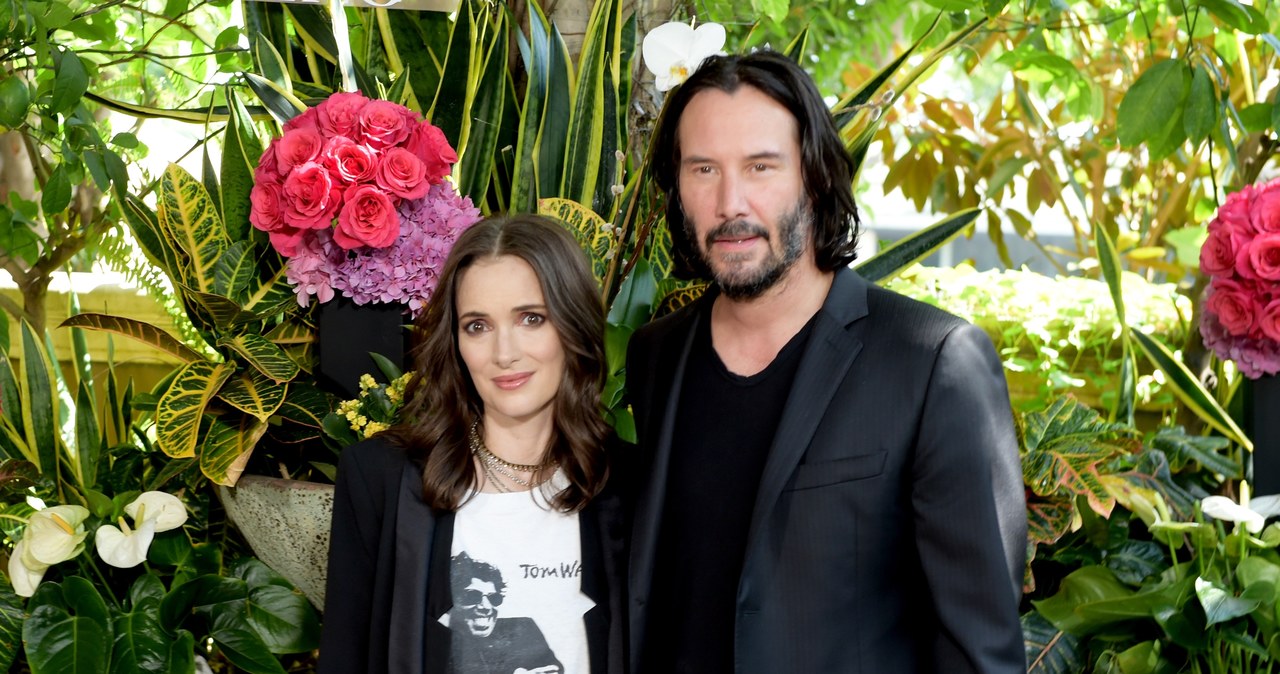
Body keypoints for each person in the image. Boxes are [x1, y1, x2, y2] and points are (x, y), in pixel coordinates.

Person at [625, 50, 1026, 673]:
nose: (731, 202)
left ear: (813, 176)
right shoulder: (656, 357)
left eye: (761, 166)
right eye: (703, 169)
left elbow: (980, 651)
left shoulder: (933, 364)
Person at [319, 214, 626, 674]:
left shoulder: (632, 485)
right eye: (478, 326)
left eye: (531, 318)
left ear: (573, 326)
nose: (505, 353)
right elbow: (345, 657)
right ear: (455, 341)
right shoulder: (380, 478)